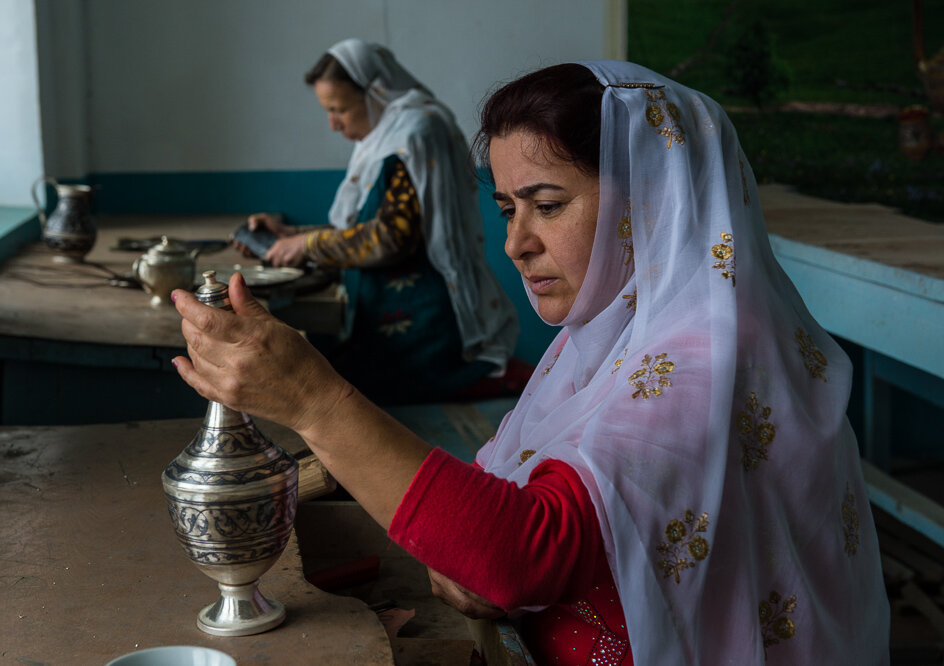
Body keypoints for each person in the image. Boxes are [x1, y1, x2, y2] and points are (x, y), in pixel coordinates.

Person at [173, 60, 890, 664]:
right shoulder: (607, 340)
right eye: (507, 206)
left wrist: (314, 400)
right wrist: (468, 553)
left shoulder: (709, 359)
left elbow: (525, 553)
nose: (516, 242)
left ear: (655, 204)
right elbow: (502, 508)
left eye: (547, 205)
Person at [235, 38, 519, 405]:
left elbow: (392, 236)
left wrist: (306, 245)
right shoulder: (383, 137)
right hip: (382, 306)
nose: (334, 125)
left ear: (376, 92)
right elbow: (369, 222)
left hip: (422, 318)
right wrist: (290, 234)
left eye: (339, 109)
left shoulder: (416, 131)